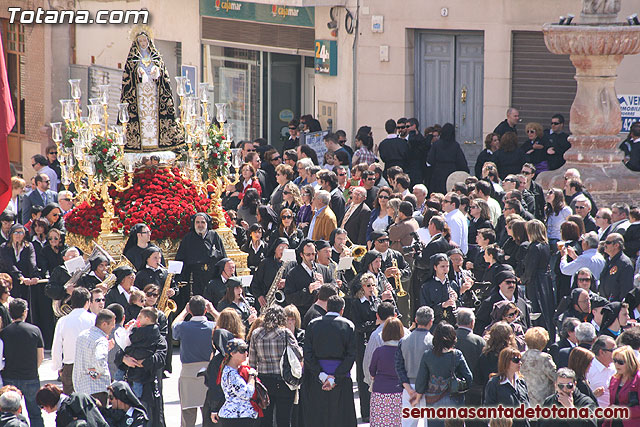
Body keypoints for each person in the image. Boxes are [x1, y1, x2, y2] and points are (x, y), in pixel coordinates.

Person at [120, 29, 181, 150]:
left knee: (154, 115)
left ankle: (157, 141)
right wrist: (139, 71)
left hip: (154, 93)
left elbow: (163, 75)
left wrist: (156, 71)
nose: (143, 43)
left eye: (145, 40)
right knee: (142, 117)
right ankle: (141, 144)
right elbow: (128, 76)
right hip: (139, 94)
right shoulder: (132, 59)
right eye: (140, 40)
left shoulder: (156, 56)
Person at [302, 295, 357, 426]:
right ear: (342, 310)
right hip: (341, 378)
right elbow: (351, 355)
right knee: (341, 417)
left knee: (318, 416)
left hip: (318, 378)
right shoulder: (348, 325)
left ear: (326, 307)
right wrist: (334, 378)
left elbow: (308, 354)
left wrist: (321, 375)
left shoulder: (313, 324)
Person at [248, 305, 302, 427]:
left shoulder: (256, 333)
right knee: (284, 419)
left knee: (266, 420)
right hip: (284, 380)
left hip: (263, 381)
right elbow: (298, 354)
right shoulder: (285, 333)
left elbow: (252, 361)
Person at [413, 323, 472, 427]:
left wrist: (418, 395)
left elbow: (420, 382)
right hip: (454, 399)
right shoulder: (457, 354)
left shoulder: (428, 355)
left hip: (433, 401)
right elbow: (469, 378)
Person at [172, 296, 217, 427]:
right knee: (210, 416)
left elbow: (174, 326)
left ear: (190, 310)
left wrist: (184, 312)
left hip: (188, 375)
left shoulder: (183, 326)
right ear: (205, 311)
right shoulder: (213, 326)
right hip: (209, 374)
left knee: (188, 417)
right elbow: (227, 325)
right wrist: (213, 311)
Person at [0, 298, 44, 427]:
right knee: (35, 413)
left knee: (13, 413)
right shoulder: (35, 330)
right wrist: (33, 369)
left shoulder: (4, 333)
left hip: (10, 377)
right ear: (25, 312)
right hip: (30, 376)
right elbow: (40, 356)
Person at [51, 288, 95, 395]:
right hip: (89, 366)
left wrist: (58, 367)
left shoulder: (63, 321)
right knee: (89, 402)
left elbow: (56, 346)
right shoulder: (93, 319)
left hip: (69, 365)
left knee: (70, 402)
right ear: (87, 302)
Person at [175, 212, 227, 299]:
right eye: (197, 222)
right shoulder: (188, 238)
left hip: (212, 276)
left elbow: (222, 256)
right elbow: (181, 259)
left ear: (207, 223)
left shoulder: (214, 236)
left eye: (203, 222)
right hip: (195, 277)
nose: (200, 225)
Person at [72, 309, 116, 407]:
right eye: (112, 324)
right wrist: (97, 372)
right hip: (97, 389)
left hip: (80, 387)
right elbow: (99, 360)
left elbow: (87, 356)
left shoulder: (82, 335)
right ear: (104, 324)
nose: (113, 327)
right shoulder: (101, 340)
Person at [369, 317, 405, 427]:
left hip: (380, 391)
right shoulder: (403, 351)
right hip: (399, 392)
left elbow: (372, 370)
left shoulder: (379, 351)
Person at [284, 240, 334, 316]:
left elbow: (335, 288)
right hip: (303, 315)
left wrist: (324, 285)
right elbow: (289, 298)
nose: (311, 257)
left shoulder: (324, 270)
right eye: (308, 255)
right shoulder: (293, 273)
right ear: (301, 255)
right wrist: (308, 290)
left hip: (323, 314)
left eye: (313, 254)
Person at [483, 347, 530, 427]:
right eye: (516, 360)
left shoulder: (521, 382)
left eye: (520, 360)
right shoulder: (494, 384)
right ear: (506, 362)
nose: (520, 363)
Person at [218, 338, 260, 425]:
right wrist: (252, 376)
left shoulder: (235, 369)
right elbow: (246, 393)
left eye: (246, 350)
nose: (246, 353)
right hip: (236, 417)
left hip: (240, 416)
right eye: (242, 350)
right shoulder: (231, 373)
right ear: (232, 353)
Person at [35, 383, 109, 427]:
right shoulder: (82, 396)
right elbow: (99, 406)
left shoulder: (62, 415)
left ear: (49, 402)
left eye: (42, 406)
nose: (43, 409)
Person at [426, 123, 469, 195]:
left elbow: (429, 161)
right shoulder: (455, 146)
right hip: (451, 174)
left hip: (437, 175)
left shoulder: (436, 144)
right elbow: (461, 163)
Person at [520, 327, 556, 407]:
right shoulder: (545, 358)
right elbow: (555, 376)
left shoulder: (521, 356)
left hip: (526, 399)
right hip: (543, 400)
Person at [604, 345, 640, 427]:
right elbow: (612, 404)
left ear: (630, 362)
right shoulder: (614, 378)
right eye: (615, 361)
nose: (616, 365)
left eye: (620, 362)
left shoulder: (638, 379)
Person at [600, 233, 635, 302]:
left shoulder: (624, 264)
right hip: (605, 304)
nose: (605, 245)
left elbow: (626, 289)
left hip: (616, 306)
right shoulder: (609, 261)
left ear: (616, 245)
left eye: (607, 243)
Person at [587, 335, 617, 408]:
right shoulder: (588, 369)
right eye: (613, 350)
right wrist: (593, 395)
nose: (616, 353)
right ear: (602, 352)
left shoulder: (616, 367)